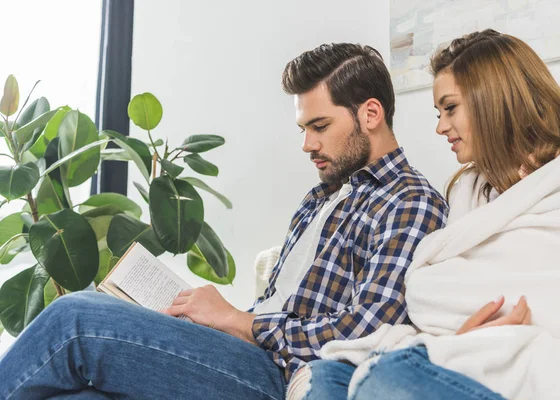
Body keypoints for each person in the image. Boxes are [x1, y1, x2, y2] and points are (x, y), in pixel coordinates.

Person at [0, 43, 447, 400]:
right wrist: (212, 319)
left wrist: (238, 321)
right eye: (302, 129)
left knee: (74, 318)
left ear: (370, 114)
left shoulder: (409, 202)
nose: (307, 144)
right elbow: (281, 306)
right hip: (248, 351)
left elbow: (367, 332)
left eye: (320, 125)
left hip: (285, 377)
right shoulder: (321, 197)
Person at [288, 29, 560, 400]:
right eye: (439, 113)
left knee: (386, 377)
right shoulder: (472, 191)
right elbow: (438, 290)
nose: (440, 127)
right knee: (328, 377)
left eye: (450, 108)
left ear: (493, 98)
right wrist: (463, 339)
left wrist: (481, 340)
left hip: (549, 358)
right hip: (468, 345)